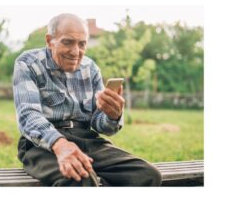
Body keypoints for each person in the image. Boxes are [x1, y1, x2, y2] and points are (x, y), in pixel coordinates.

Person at [12, 13, 161, 186]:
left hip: (87, 139)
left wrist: (112, 116)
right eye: (67, 42)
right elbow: (28, 115)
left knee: (147, 175)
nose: (76, 51)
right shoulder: (28, 64)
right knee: (79, 178)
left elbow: (100, 124)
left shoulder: (90, 68)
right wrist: (60, 144)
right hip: (42, 146)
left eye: (82, 44)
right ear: (49, 40)